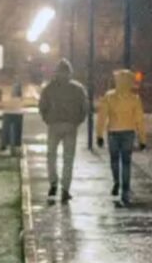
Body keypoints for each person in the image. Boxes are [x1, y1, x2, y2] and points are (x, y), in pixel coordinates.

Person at [38, 59, 87, 202]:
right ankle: (65, 189)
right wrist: (77, 121)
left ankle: (53, 183)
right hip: (71, 126)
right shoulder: (78, 89)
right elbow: (84, 108)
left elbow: (42, 106)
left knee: (51, 155)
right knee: (68, 158)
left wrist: (47, 119)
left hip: (54, 125)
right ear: (70, 73)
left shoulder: (49, 88)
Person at [96, 69, 147, 205]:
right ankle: (126, 188)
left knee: (114, 160)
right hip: (128, 132)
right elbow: (139, 120)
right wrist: (142, 139)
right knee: (126, 162)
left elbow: (102, 117)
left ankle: (116, 182)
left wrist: (99, 135)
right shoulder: (134, 99)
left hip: (113, 132)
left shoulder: (109, 96)